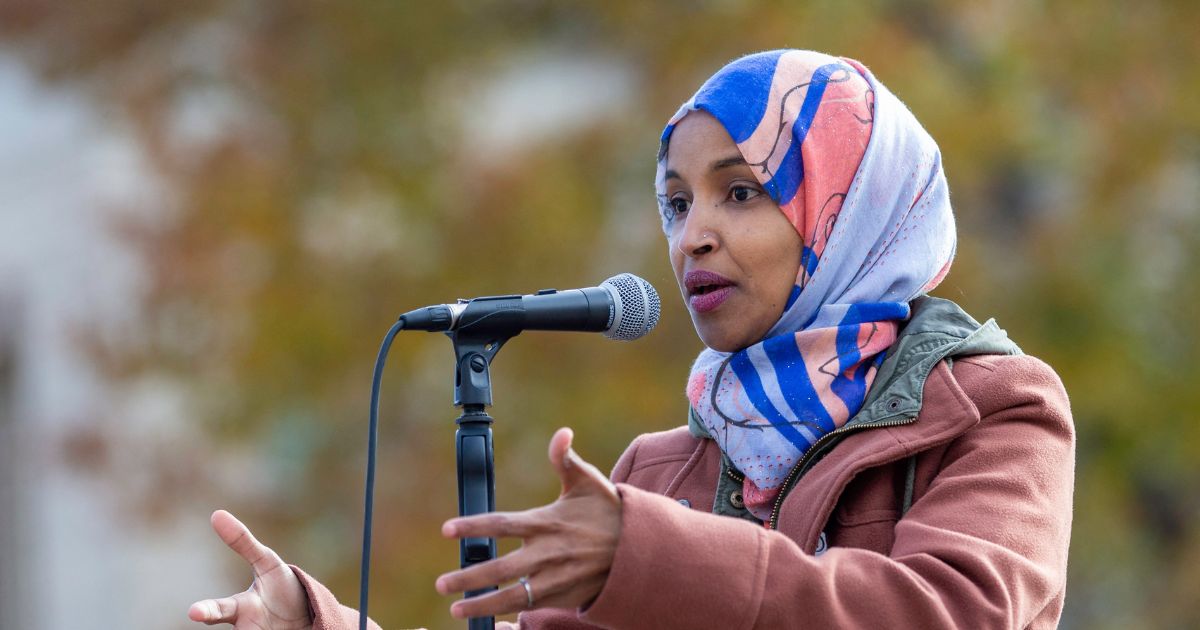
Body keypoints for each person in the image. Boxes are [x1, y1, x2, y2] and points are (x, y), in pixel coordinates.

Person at [188, 49, 1074, 629]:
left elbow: (951, 615)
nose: (691, 235)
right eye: (677, 202)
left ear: (851, 210)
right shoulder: (660, 477)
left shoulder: (991, 409)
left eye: (741, 192)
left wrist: (650, 556)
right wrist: (325, 624)